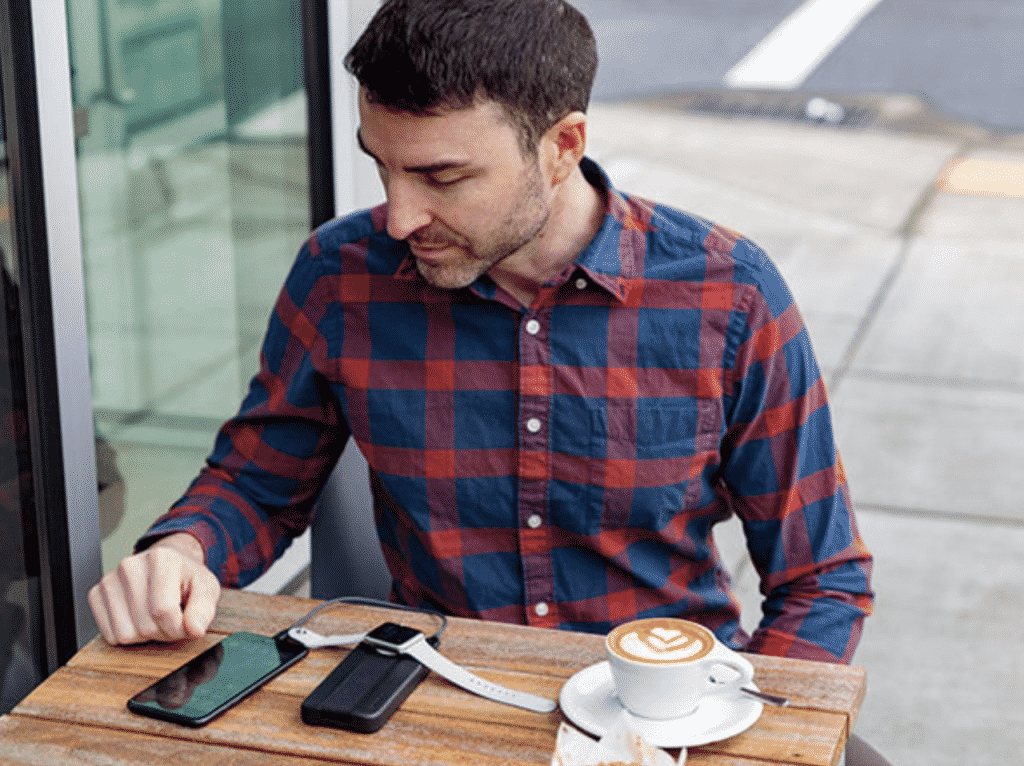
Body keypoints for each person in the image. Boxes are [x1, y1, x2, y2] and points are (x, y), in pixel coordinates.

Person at [89, 1, 881, 757]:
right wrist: (184, 548)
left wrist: (756, 739)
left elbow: (821, 578)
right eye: (383, 166)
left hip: (666, 717)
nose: (398, 217)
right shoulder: (340, 276)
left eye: (442, 176)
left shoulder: (728, 294)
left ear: (563, 144)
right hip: (428, 714)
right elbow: (256, 483)